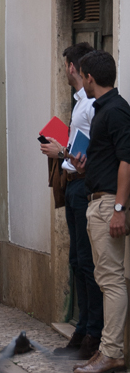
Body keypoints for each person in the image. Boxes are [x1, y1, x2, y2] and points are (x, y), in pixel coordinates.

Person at [40, 42, 102, 360]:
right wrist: (62, 141)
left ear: (71, 68)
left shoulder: (91, 105)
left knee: (86, 264)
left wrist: (61, 152)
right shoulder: (79, 103)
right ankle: (82, 330)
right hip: (74, 187)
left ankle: (93, 334)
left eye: (64, 65)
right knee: (77, 262)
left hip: (84, 186)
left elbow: (94, 154)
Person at [69, 50, 130, 373]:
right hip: (100, 199)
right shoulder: (105, 109)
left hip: (108, 204)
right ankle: (107, 350)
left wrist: (119, 208)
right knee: (107, 278)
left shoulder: (116, 111)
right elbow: (110, 159)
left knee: (111, 280)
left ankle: (111, 352)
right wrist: (85, 166)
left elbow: (127, 160)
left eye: (83, 77)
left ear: (90, 78)